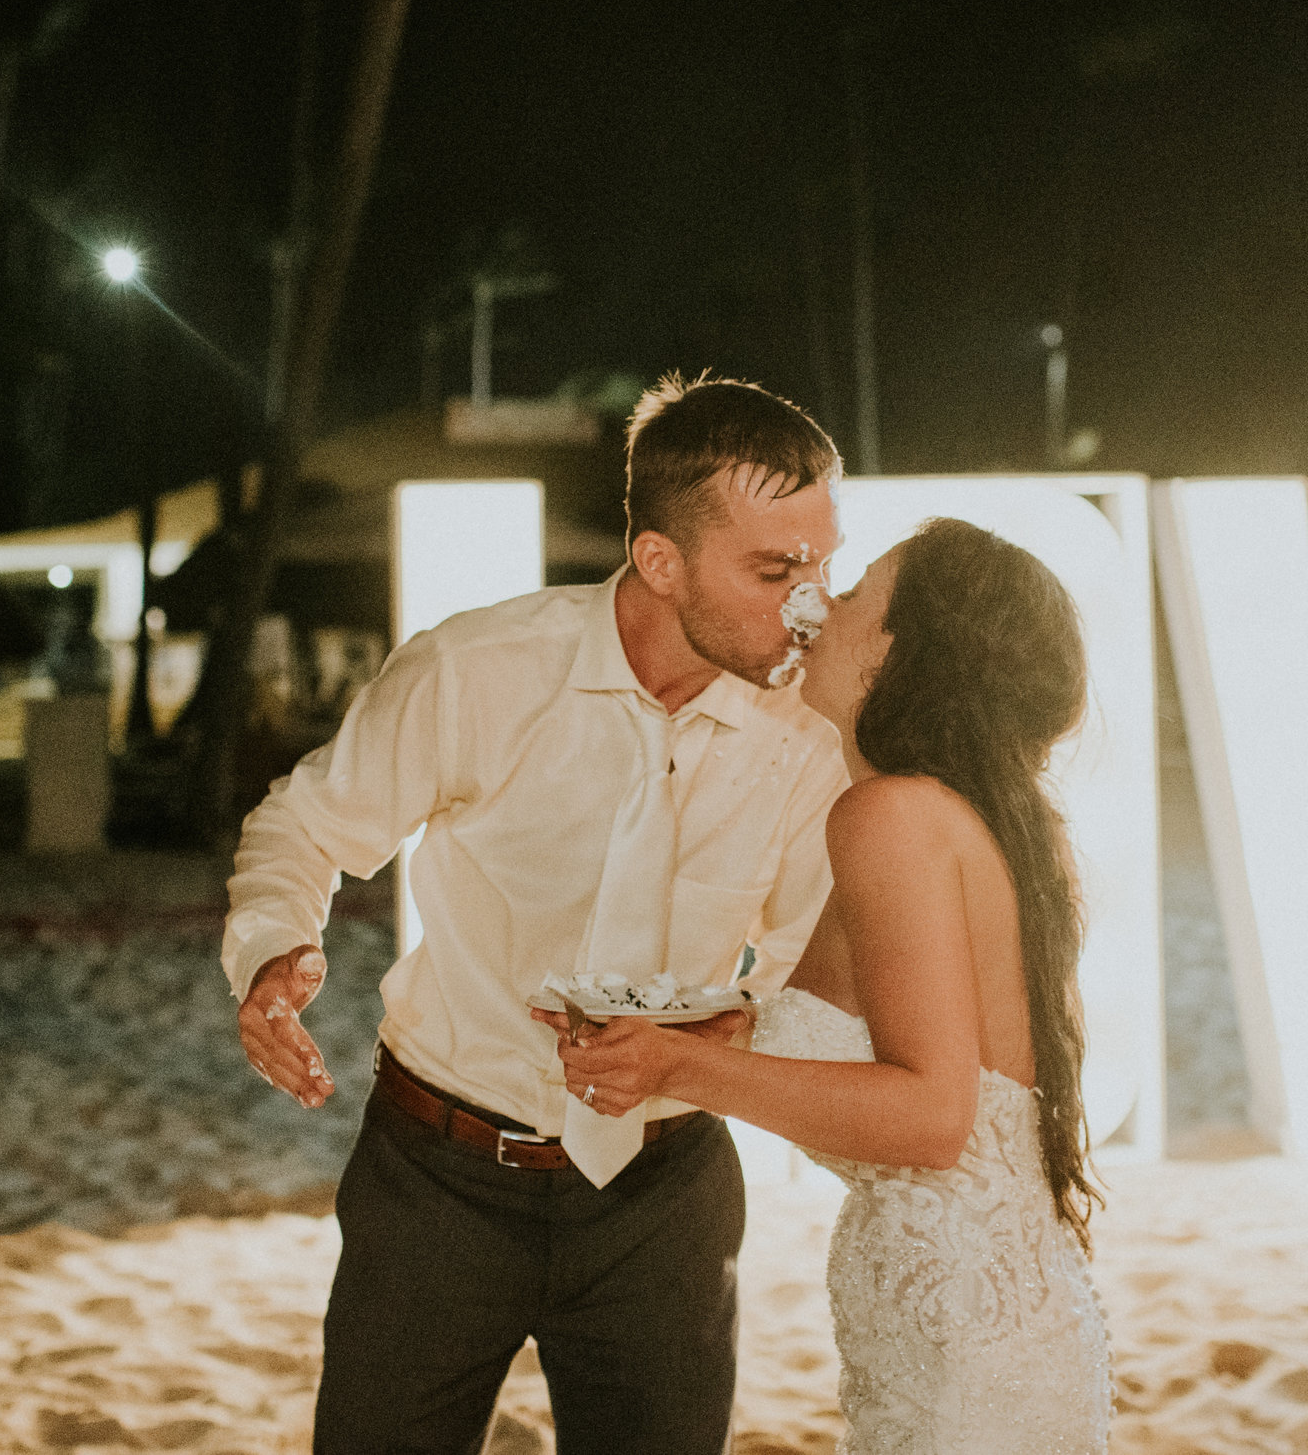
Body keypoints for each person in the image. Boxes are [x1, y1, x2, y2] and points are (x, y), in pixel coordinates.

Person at [222, 375, 852, 1455]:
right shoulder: (476, 669)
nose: (813, 604)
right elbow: (304, 825)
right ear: (660, 561)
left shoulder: (810, 730)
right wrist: (277, 945)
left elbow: (805, 971)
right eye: (777, 569)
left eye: (823, 563)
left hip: (668, 1196)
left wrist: (709, 1045)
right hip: (436, 1181)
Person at [554, 517, 1115, 1454]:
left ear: (904, 653)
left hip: (963, 1368)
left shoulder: (889, 816)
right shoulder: (963, 816)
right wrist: (660, 1032)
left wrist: (675, 1071)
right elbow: (849, 1044)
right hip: (980, 1333)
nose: (819, 601)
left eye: (855, 592)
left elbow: (933, 1116)